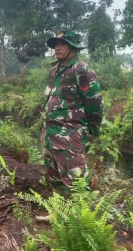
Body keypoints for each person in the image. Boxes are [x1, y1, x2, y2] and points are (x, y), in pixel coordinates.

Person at [41, 29, 103, 194]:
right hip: (50, 133)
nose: (57, 48)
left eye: (62, 44)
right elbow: (49, 96)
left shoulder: (82, 70)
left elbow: (94, 102)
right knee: (53, 176)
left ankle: (77, 219)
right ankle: (59, 213)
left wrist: (92, 130)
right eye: (55, 45)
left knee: (76, 180)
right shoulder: (54, 71)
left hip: (70, 133)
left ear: (73, 47)